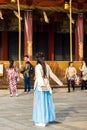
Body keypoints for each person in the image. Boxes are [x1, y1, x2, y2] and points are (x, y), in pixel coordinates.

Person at [32, 52, 64, 127]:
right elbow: (52, 75)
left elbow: (39, 76)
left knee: (39, 103)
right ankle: (45, 119)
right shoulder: (47, 66)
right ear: (43, 58)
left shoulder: (38, 66)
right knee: (45, 103)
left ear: (37, 59)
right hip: (46, 86)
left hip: (40, 86)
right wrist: (60, 83)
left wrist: (42, 84)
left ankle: (41, 120)